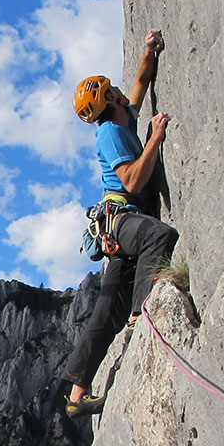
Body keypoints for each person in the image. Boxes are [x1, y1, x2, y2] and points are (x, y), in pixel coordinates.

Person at [63, 29, 179, 418]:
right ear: (107, 100)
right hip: (123, 219)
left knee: (104, 308)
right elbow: (131, 181)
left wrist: (149, 50)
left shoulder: (122, 115)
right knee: (158, 236)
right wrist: (155, 140)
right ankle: (140, 315)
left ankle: (76, 396)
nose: (118, 92)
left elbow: (142, 81)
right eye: (112, 91)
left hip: (118, 228)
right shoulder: (111, 134)